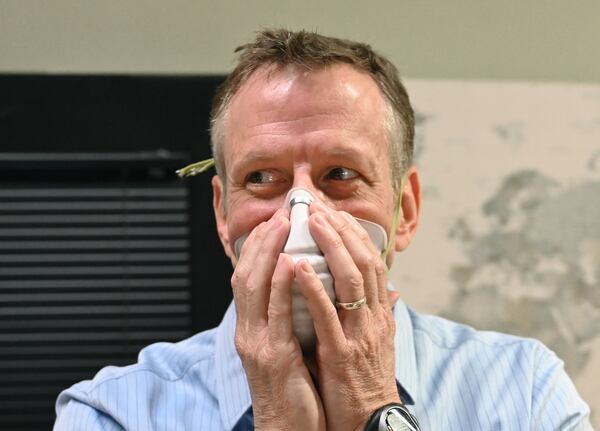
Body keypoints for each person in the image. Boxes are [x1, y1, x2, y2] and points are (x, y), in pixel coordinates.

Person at [54, 29, 591, 431]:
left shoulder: (524, 392)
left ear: (404, 210)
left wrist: (372, 411)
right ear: (222, 214)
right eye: (262, 178)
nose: (301, 214)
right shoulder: (116, 413)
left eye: (341, 175)